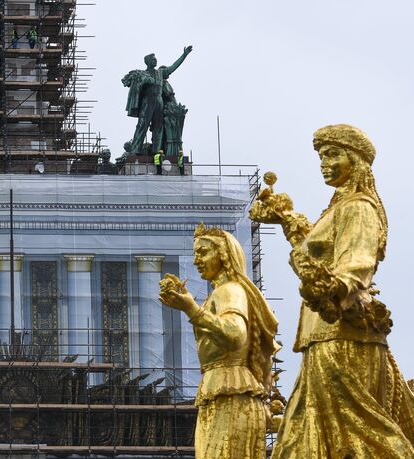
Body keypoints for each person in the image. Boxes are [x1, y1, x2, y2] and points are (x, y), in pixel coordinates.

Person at [250, 124, 414, 457]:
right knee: (305, 436)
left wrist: (334, 289)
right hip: (323, 335)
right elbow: (316, 256)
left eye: (333, 154)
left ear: (357, 161)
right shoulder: (336, 209)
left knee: (356, 436)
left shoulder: (358, 207)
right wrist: (286, 221)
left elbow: (358, 261)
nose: (325, 163)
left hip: (344, 334)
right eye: (322, 156)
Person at [159, 223, 278, 458]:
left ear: (223, 255)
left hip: (230, 388)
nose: (196, 261)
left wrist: (192, 309)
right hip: (223, 389)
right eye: (195, 254)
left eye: (203, 252)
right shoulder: (220, 292)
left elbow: (235, 334)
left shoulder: (229, 290)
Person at [121, 46, 192, 155]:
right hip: (147, 102)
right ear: (147, 62)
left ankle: (156, 151)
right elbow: (131, 84)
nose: (156, 60)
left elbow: (173, 67)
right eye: (153, 59)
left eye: (156, 59)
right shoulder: (142, 74)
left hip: (159, 102)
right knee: (142, 125)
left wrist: (184, 55)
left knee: (158, 127)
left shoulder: (160, 73)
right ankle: (135, 150)